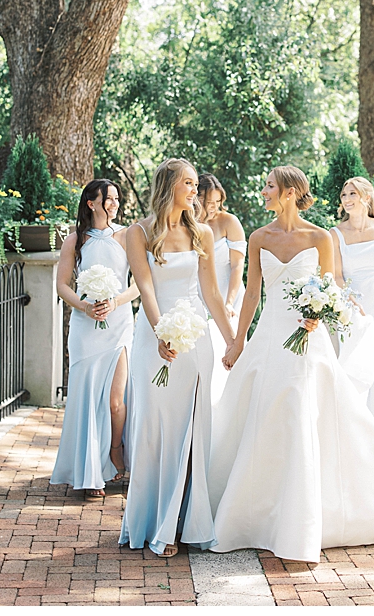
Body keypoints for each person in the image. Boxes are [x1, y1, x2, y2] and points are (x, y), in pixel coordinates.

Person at [208, 165, 374, 564]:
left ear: (289, 193)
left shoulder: (320, 237)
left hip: (308, 335)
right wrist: (238, 341)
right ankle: (256, 512)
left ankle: (306, 517)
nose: (263, 191)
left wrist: (325, 311)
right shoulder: (259, 236)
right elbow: (252, 294)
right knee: (260, 413)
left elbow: (331, 283)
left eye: (269, 186)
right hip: (269, 337)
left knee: (301, 403)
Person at [119, 158, 234, 557]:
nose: (194, 190)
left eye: (195, 184)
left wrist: (234, 342)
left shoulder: (201, 232)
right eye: (187, 183)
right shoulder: (139, 233)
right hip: (154, 337)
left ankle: (182, 523)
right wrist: (159, 333)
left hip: (194, 339)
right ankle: (152, 521)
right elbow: (146, 289)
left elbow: (213, 296)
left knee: (192, 428)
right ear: (169, 185)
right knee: (153, 426)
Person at [51, 179, 139, 501]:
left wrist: (116, 302)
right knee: (87, 399)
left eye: (117, 198)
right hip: (85, 328)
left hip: (119, 325)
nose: (115, 203)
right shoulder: (75, 241)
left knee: (117, 401)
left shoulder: (129, 236)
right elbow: (63, 285)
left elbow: (140, 285)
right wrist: (86, 306)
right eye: (109, 198)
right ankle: (90, 475)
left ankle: (116, 449)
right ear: (92, 203)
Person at [330, 177, 374, 430]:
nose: (346, 199)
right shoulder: (335, 233)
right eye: (344, 195)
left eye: (352, 194)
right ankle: (358, 428)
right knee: (355, 370)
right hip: (351, 308)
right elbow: (336, 274)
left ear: (367, 198)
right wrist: (350, 300)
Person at [196, 173, 246, 403]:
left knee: (223, 354)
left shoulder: (229, 222)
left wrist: (229, 301)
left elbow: (237, 266)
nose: (213, 208)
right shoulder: (188, 225)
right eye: (208, 203)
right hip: (198, 295)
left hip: (229, 295)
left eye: (217, 202)